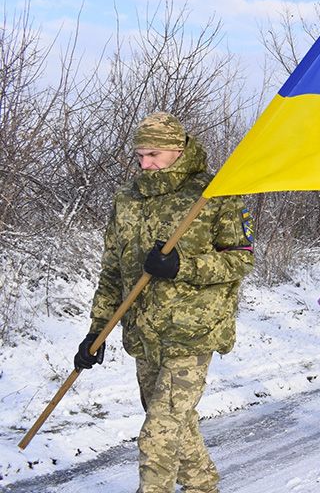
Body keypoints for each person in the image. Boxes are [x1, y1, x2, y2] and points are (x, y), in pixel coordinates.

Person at [73, 112, 254, 492]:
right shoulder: (128, 198)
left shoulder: (214, 193)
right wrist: (97, 329)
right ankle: (204, 485)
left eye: (153, 154)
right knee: (176, 422)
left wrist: (181, 265)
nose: (144, 163)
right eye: (139, 155)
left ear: (177, 149)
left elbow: (241, 258)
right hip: (143, 331)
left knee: (158, 434)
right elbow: (112, 270)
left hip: (193, 331)